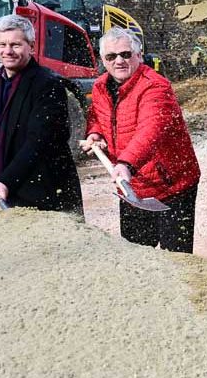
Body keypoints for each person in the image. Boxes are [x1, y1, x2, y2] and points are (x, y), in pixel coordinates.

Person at [83, 28, 200, 252]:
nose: (119, 61)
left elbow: (152, 128)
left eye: (126, 54)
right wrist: (95, 132)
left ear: (139, 54)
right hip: (131, 188)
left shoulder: (156, 86)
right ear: (103, 60)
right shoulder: (100, 87)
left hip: (171, 186)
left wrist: (126, 163)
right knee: (136, 256)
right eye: (111, 56)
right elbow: (97, 115)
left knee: (177, 261)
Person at [0, 14, 82, 216]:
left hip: (39, 186)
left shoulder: (47, 84)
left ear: (31, 46)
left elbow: (39, 141)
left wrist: (7, 180)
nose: (7, 51)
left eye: (15, 45)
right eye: (1, 44)